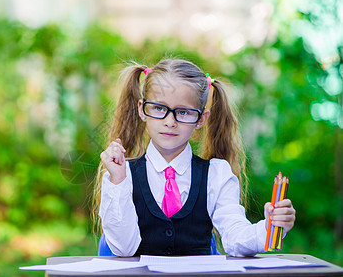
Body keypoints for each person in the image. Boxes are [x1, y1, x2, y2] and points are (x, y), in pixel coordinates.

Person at [92, 58, 295, 257]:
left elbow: (235, 237)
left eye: (183, 112)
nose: (170, 121)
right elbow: (123, 249)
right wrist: (118, 181)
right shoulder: (121, 174)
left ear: (201, 119)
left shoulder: (217, 174)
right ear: (142, 109)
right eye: (159, 108)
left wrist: (269, 228)